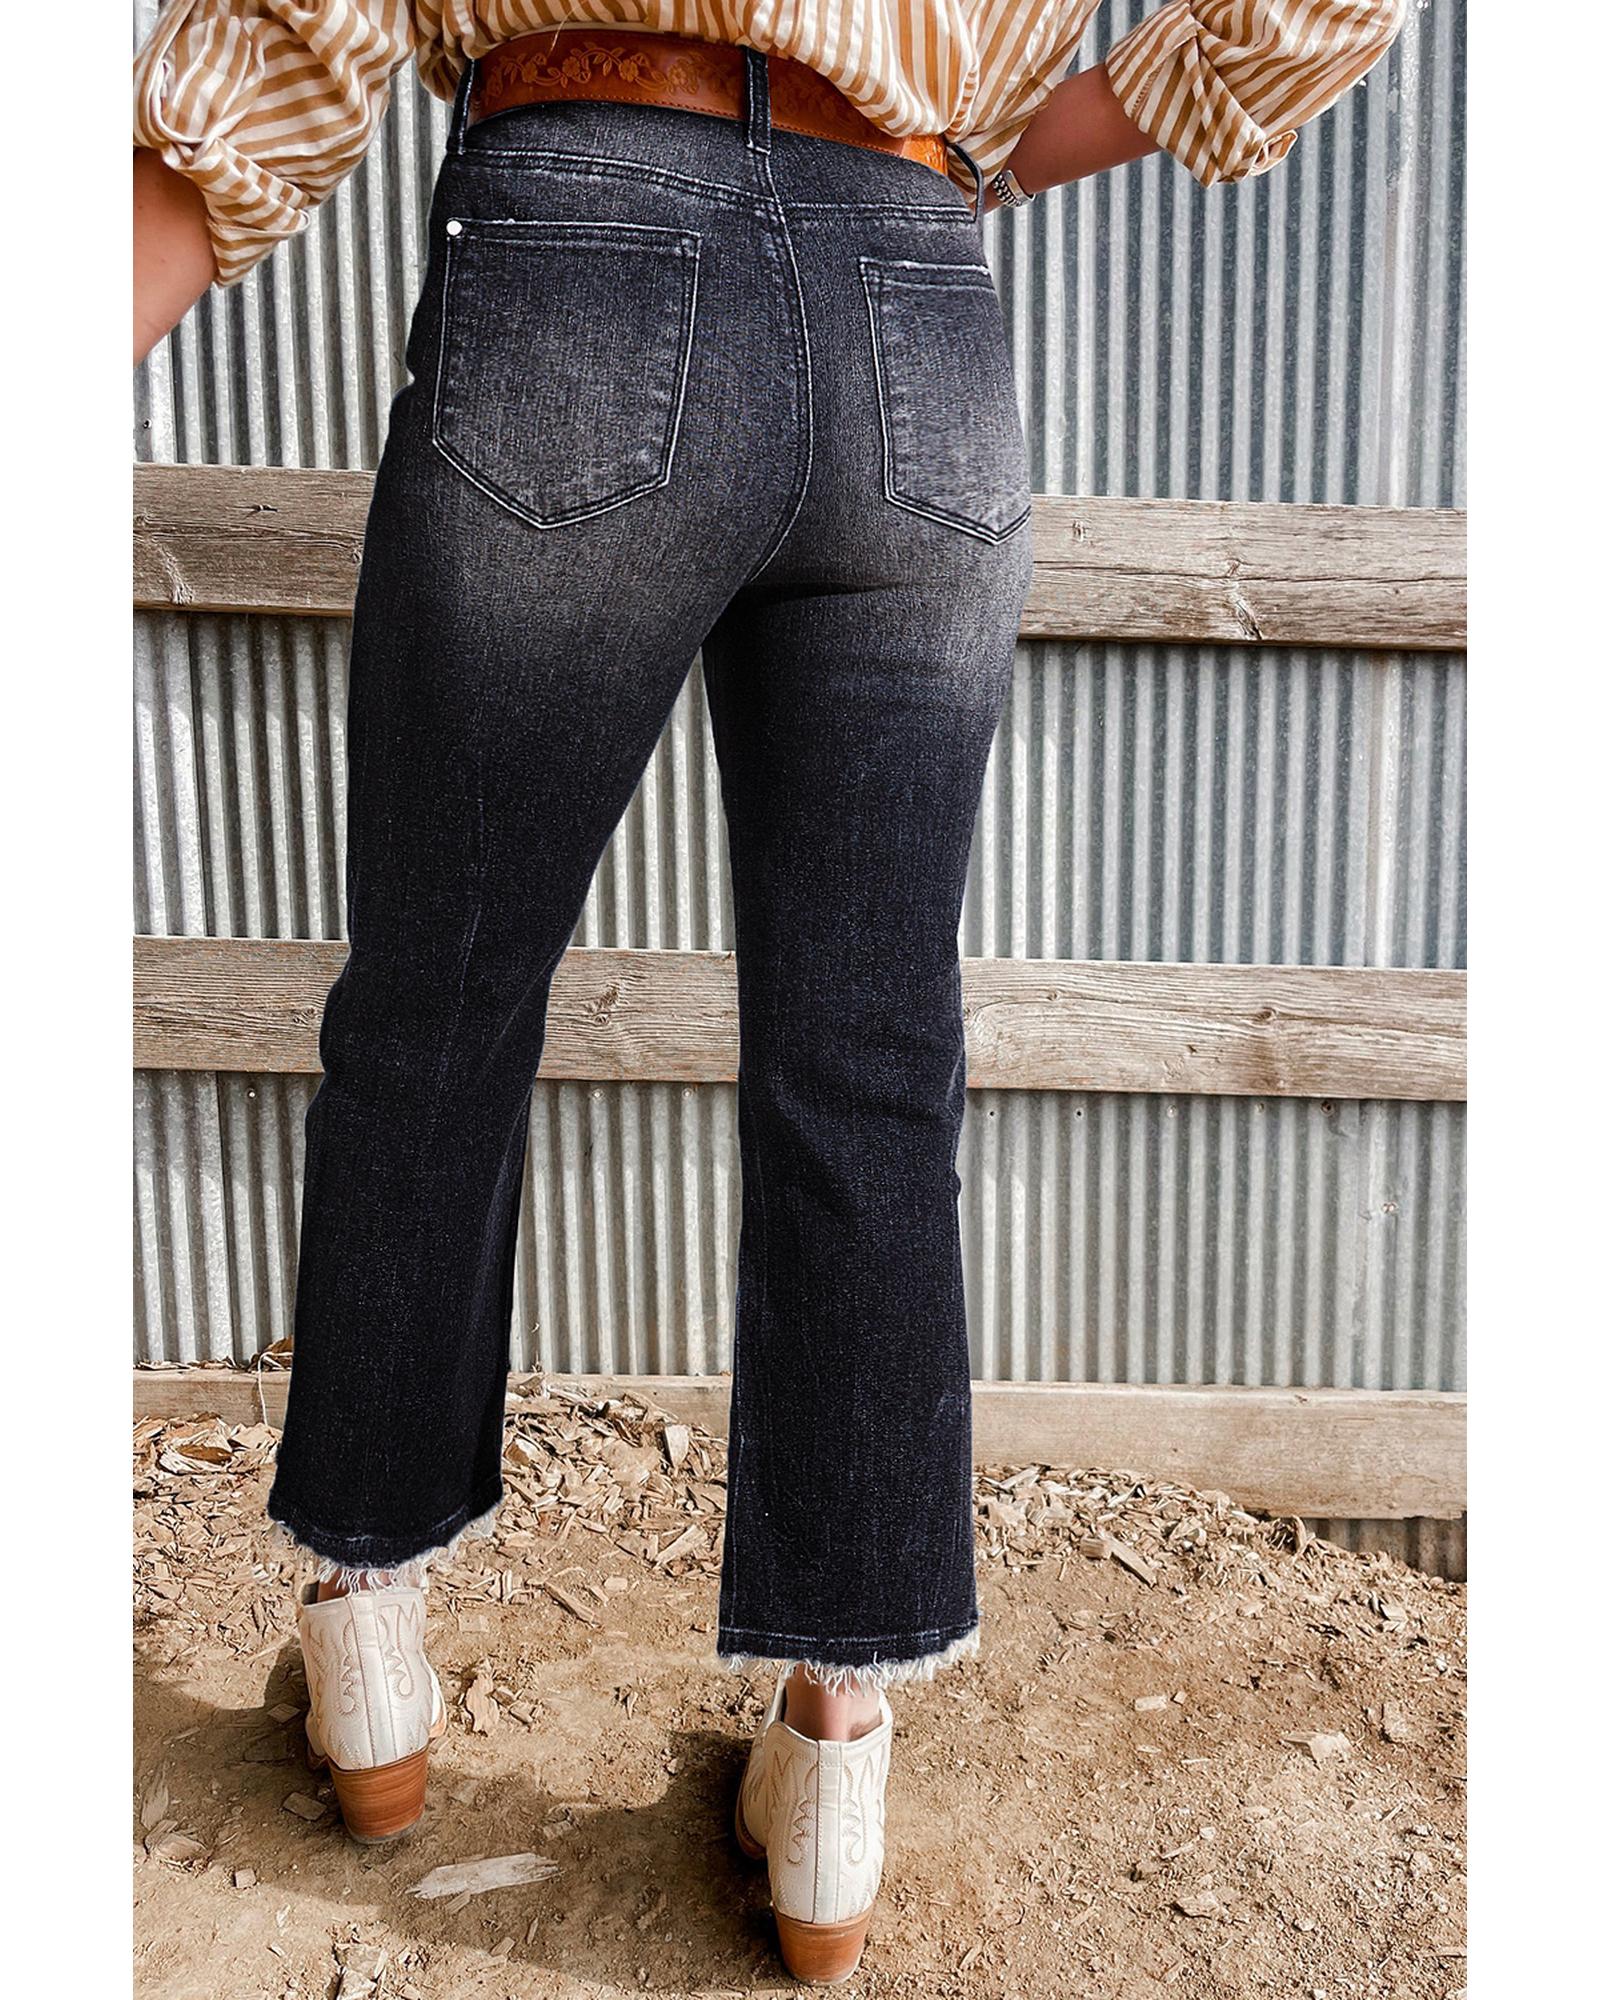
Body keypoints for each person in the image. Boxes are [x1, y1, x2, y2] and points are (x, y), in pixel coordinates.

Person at [132, 2, 1406, 1982]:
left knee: (440, 1000)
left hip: (578, 241)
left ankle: (368, 1651)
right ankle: (832, 1760)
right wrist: (1006, 135)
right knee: (870, 1059)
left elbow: (292, 36)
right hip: (913, 290)